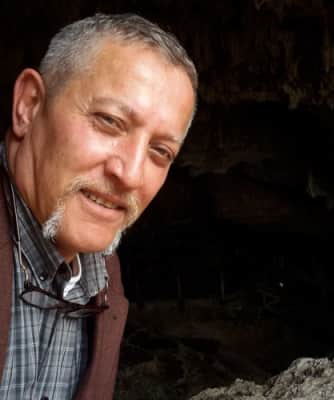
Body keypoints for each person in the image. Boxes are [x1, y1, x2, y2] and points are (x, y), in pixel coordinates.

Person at [0, 13, 197, 400]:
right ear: (29, 105)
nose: (131, 174)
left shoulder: (106, 276)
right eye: (109, 121)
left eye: (160, 151)